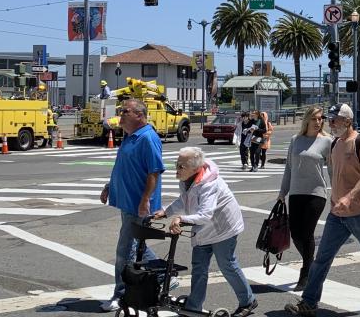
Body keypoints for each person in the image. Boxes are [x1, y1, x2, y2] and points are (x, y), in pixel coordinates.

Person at [284, 103, 360, 316]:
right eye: (330, 119)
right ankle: (309, 302)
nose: (330, 123)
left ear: (347, 120)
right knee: (321, 260)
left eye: (334, 119)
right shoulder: (335, 143)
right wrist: (335, 198)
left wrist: (349, 197)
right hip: (337, 213)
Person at [152, 147, 257, 316]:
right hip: (204, 229)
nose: (177, 169)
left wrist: (181, 219)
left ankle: (248, 301)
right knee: (199, 267)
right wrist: (167, 211)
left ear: (195, 168)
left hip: (224, 228)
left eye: (181, 166)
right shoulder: (187, 178)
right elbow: (184, 199)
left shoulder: (209, 184)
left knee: (227, 265)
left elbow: (205, 215)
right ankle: (194, 306)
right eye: (176, 164)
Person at [98, 99, 167, 312]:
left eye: (125, 111)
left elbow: (154, 171)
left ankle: (120, 295)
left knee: (124, 251)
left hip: (138, 205)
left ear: (139, 114)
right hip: (128, 202)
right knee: (138, 247)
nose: (120, 113)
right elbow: (124, 165)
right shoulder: (130, 136)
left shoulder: (148, 138)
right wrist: (110, 185)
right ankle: (164, 276)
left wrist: (146, 200)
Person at [277, 106, 333, 292]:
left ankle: (305, 273)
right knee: (295, 234)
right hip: (296, 193)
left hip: (316, 193)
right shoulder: (296, 140)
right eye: (315, 118)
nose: (318, 122)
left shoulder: (327, 141)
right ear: (307, 120)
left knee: (307, 233)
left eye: (321, 119)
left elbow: (333, 171)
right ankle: (312, 262)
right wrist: (282, 193)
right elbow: (289, 168)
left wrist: (337, 194)